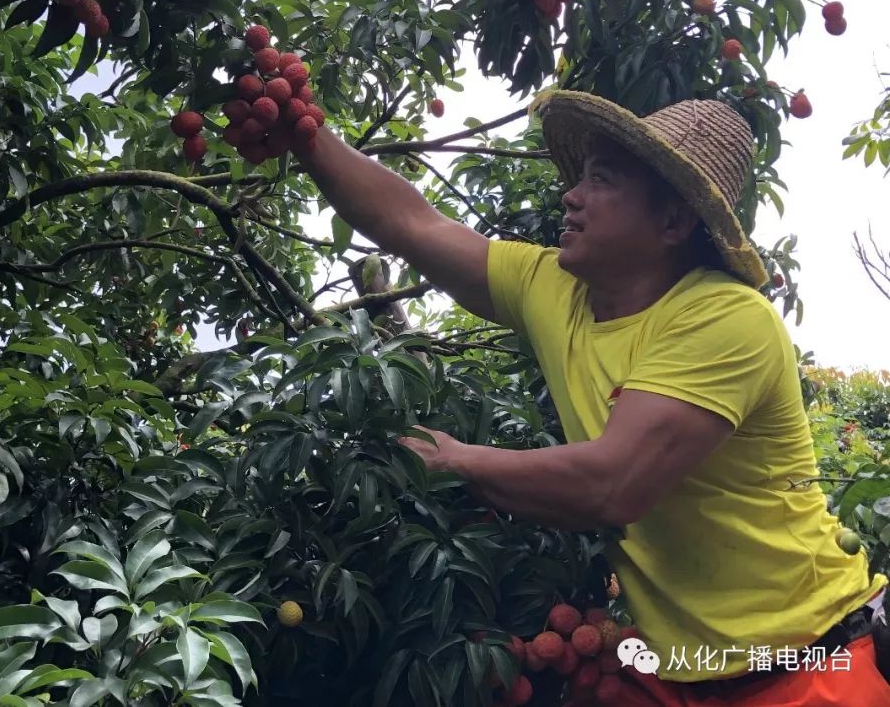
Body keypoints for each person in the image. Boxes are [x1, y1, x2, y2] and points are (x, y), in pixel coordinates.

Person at [296, 90, 890, 706]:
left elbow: (612, 485)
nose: (571, 196)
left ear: (672, 223)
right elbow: (412, 223)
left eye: (601, 180)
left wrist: (454, 460)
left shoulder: (727, 316)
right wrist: (304, 135)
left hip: (814, 666)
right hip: (692, 672)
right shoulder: (549, 286)